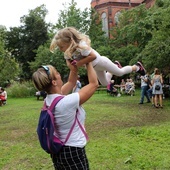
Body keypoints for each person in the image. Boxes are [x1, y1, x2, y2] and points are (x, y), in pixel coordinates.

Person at [32, 61, 98, 170]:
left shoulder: (49, 100)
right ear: (54, 82)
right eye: (57, 73)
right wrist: (88, 61)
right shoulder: (66, 102)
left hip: (58, 149)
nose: (59, 74)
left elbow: (72, 82)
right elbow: (94, 84)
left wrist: (74, 69)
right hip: (73, 151)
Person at [50, 27, 146, 86]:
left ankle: (136, 67)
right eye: (59, 47)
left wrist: (79, 63)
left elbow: (93, 57)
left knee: (120, 73)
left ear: (70, 42)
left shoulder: (82, 46)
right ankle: (114, 66)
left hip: (101, 62)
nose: (61, 49)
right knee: (105, 83)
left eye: (62, 46)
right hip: (96, 67)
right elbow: (68, 61)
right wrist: (71, 66)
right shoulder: (67, 51)